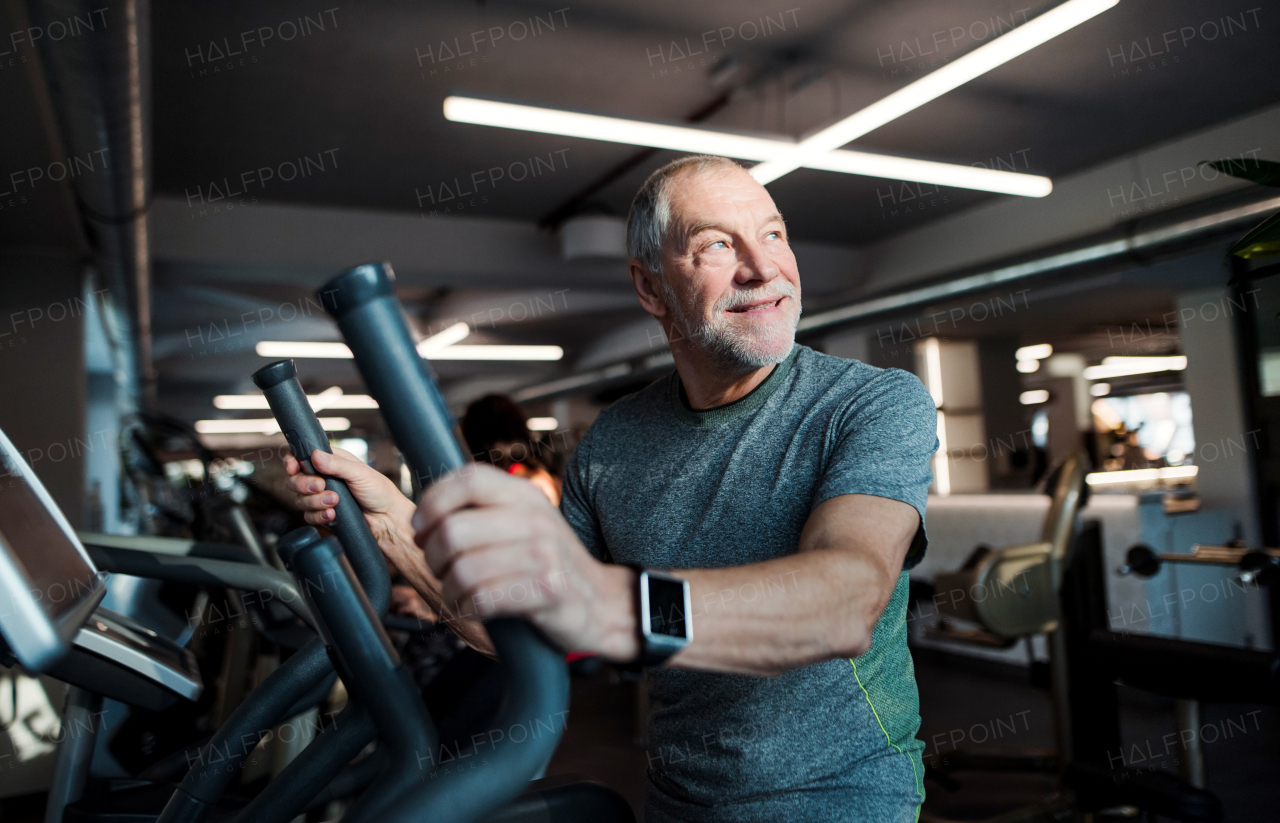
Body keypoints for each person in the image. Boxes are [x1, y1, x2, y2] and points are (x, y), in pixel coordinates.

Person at [284, 154, 938, 822]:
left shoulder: (873, 404)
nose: (763, 268)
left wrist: (600, 599)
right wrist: (393, 522)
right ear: (650, 288)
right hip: (677, 799)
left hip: (840, 799)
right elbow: (513, 622)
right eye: (717, 244)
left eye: (773, 234)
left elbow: (845, 602)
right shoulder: (613, 441)